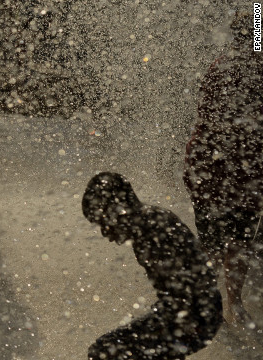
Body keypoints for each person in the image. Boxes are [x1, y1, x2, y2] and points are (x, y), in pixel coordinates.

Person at [82, 172, 222, 360]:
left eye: (103, 223)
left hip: (196, 317)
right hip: (200, 314)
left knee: (102, 351)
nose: (105, 234)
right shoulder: (149, 221)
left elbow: (186, 294)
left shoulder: (151, 229)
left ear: (115, 208)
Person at [184, 11, 263, 324]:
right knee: (237, 241)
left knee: (214, 241)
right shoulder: (254, 67)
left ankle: (204, 302)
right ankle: (233, 304)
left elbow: (208, 119)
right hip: (240, 170)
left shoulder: (220, 65)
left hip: (209, 167)